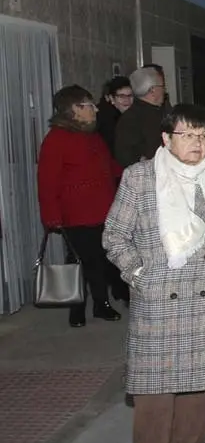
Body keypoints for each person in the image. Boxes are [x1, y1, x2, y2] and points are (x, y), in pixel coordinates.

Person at [102, 103, 205, 443]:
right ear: (166, 139)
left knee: (200, 385)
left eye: (202, 136)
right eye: (186, 135)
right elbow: (114, 236)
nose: (197, 143)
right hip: (159, 297)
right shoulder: (141, 177)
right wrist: (139, 275)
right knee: (154, 390)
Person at [38, 85, 126, 327]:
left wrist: (132, 172)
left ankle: (99, 304)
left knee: (102, 259)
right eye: (89, 105)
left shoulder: (93, 136)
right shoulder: (56, 140)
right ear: (75, 109)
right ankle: (78, 306)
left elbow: (109, 166)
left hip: (104, 209)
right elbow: (47, 182)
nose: (95, 109)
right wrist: (51, 216)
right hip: (76, 214)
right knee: (83, 261)